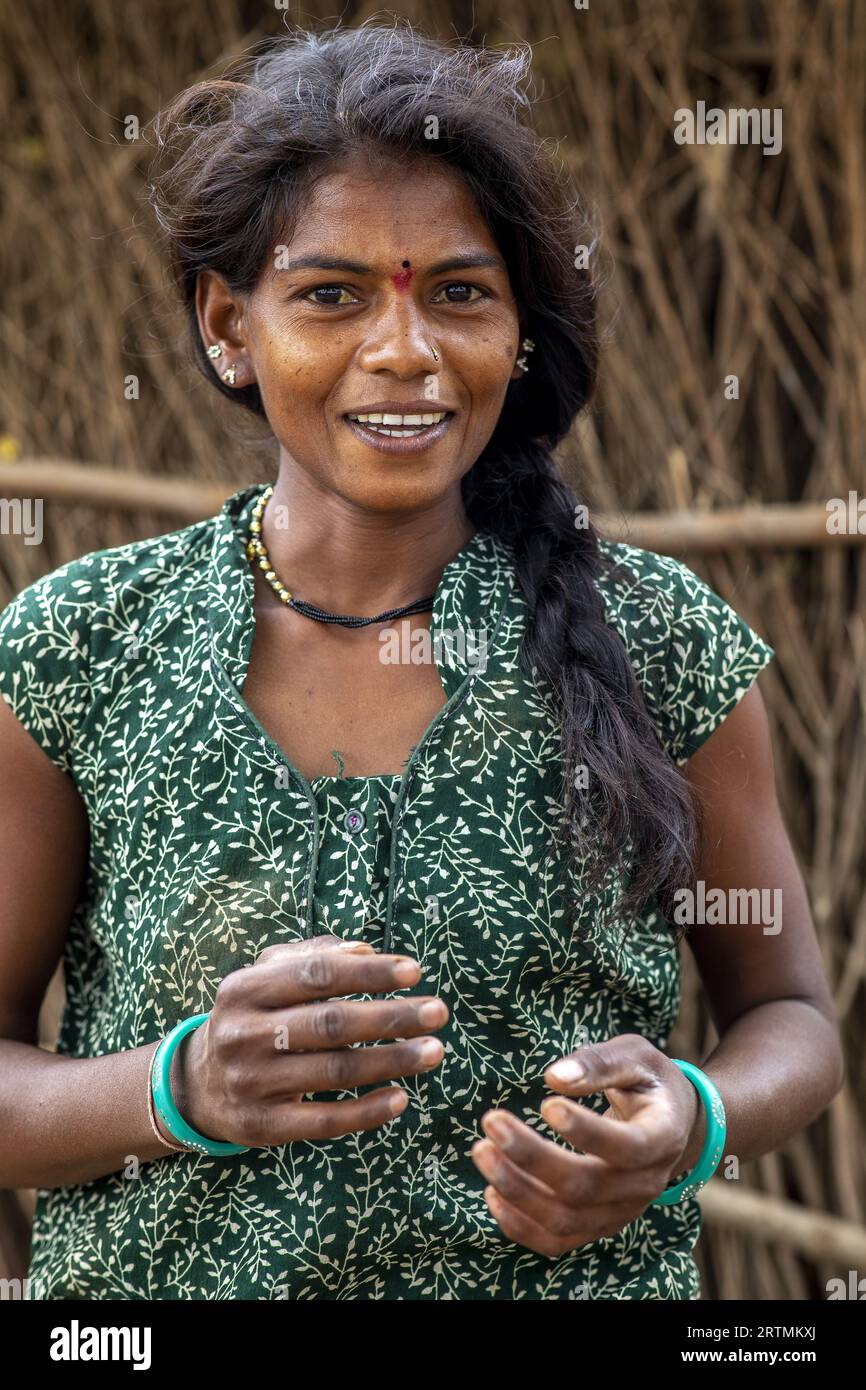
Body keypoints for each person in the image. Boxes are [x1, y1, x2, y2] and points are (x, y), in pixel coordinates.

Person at [0, 20, 843, 1301]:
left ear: (513, 329)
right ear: (230, 324)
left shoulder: (655, 640)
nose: (404, 353)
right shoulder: (80, 648)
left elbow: (791, 1017)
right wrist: (170, 1087)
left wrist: (692, 1120)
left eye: (457, 292)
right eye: (330, 294)